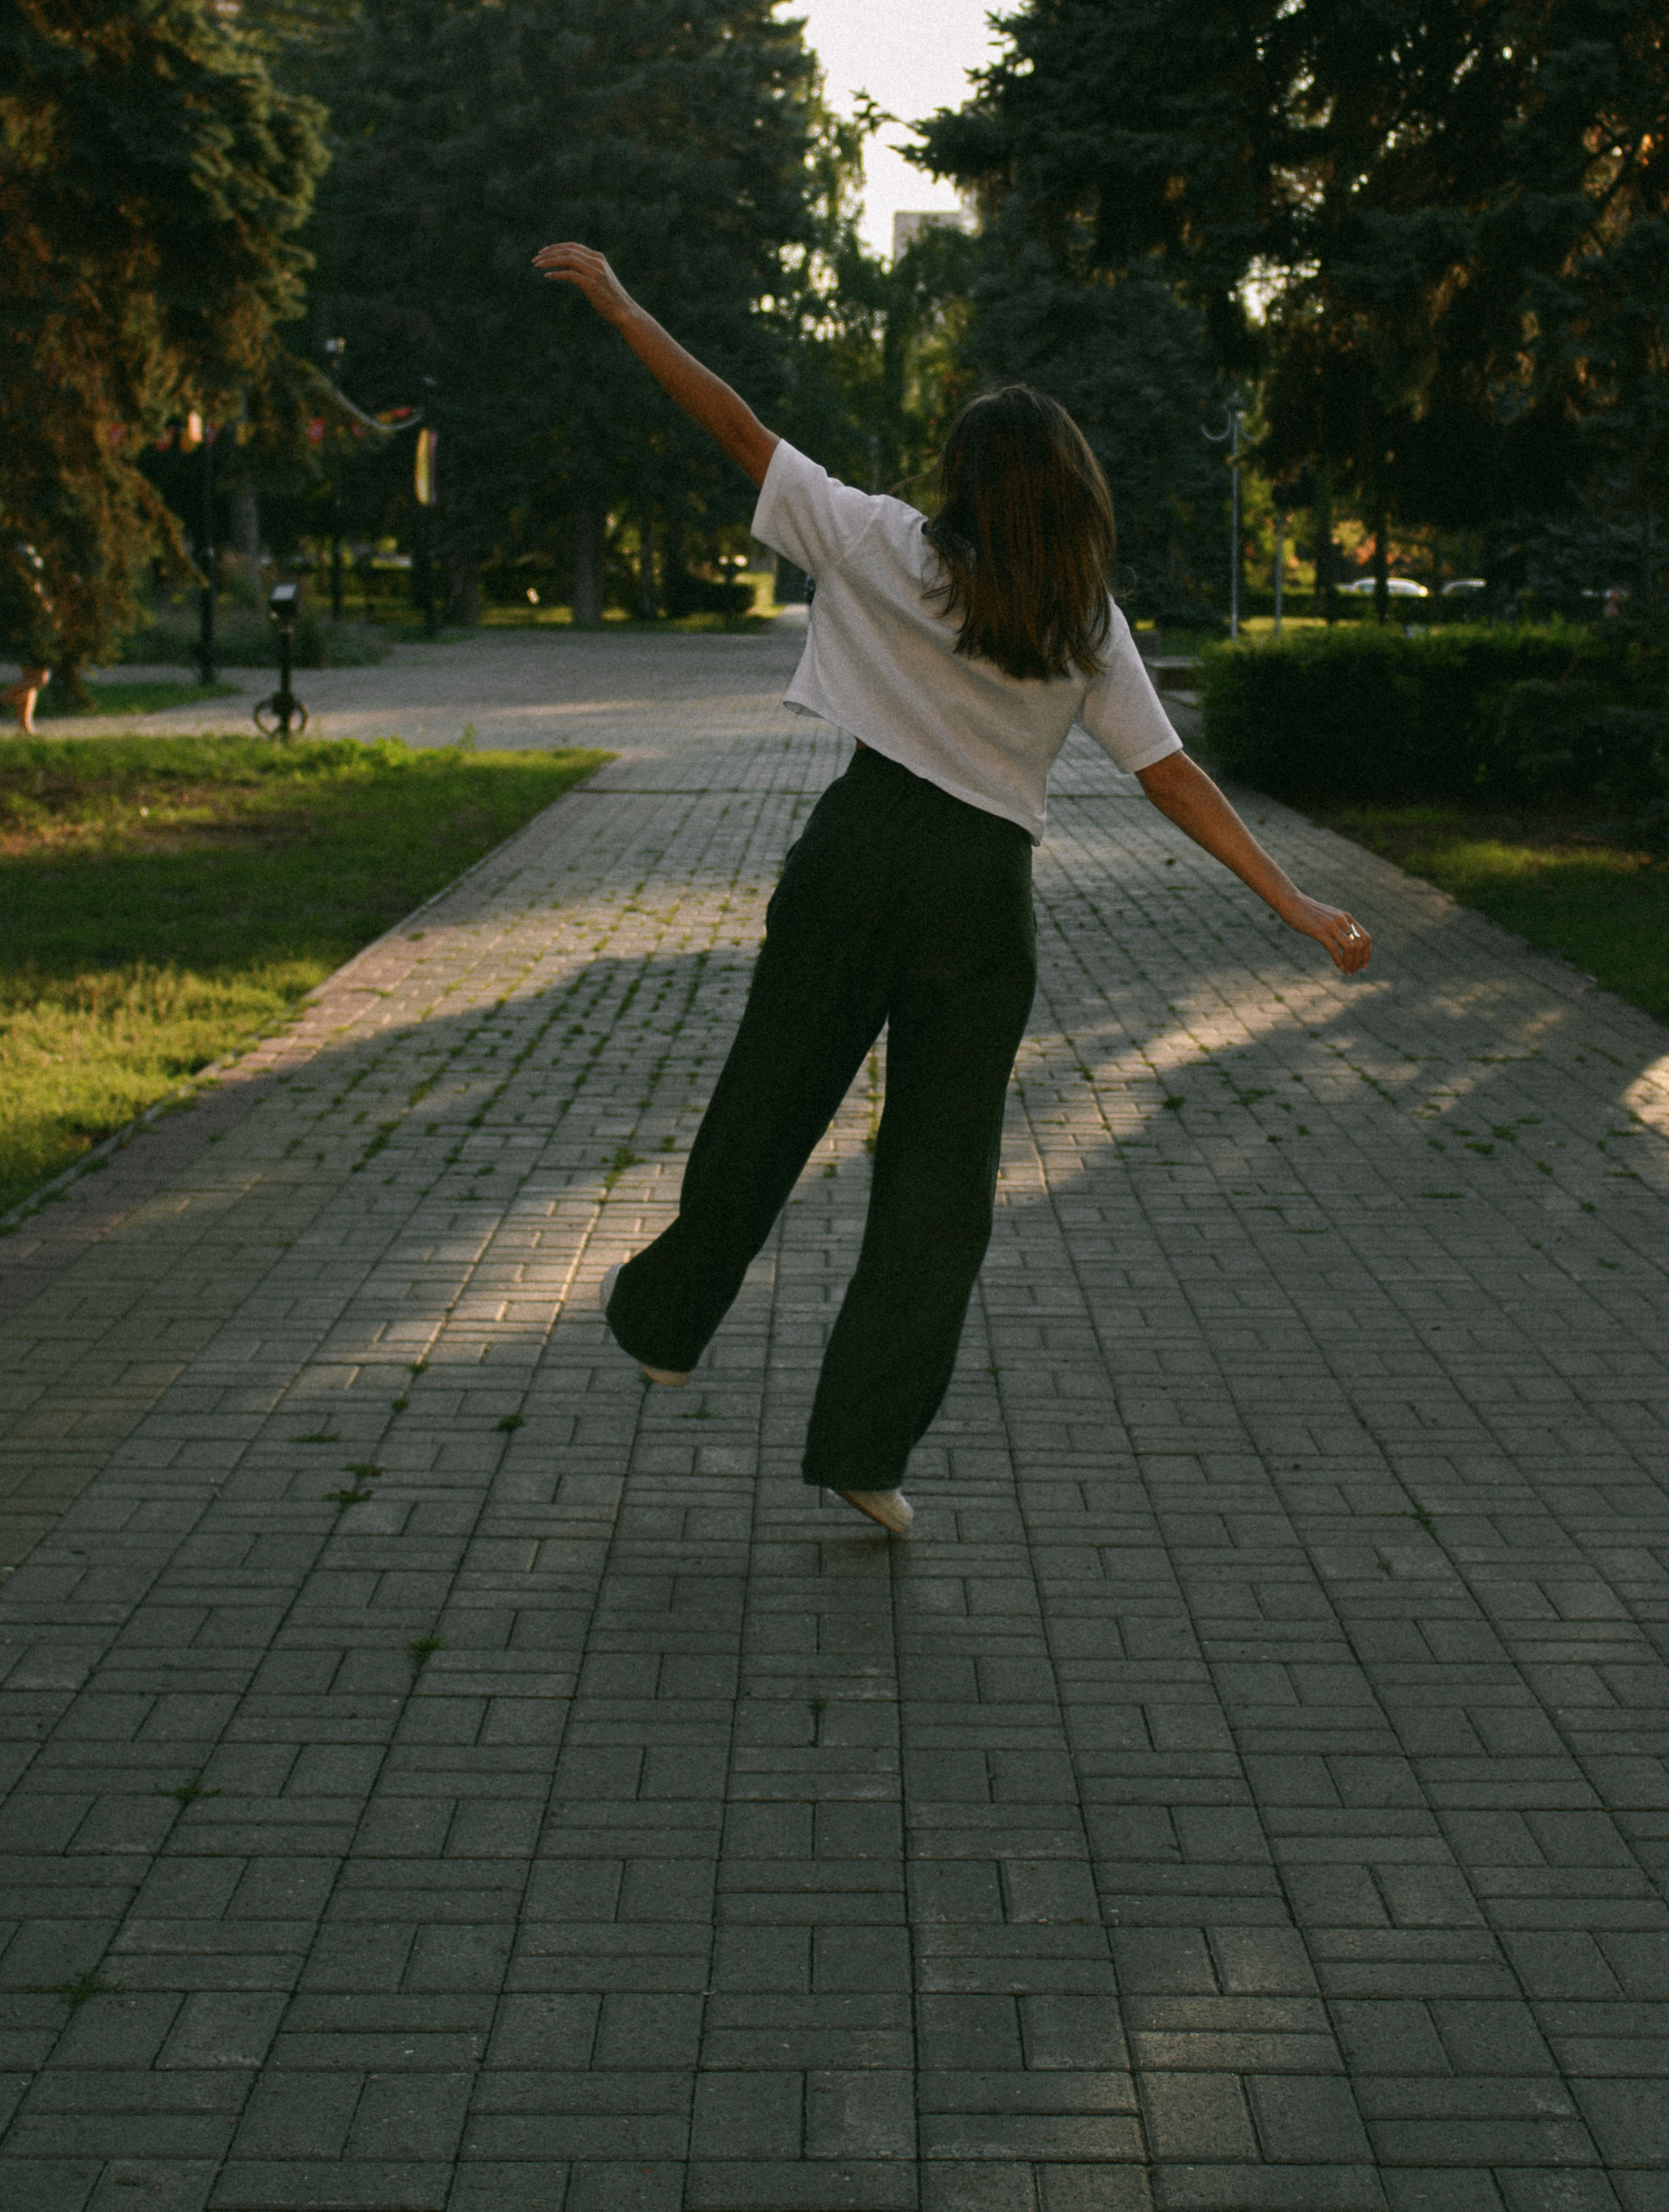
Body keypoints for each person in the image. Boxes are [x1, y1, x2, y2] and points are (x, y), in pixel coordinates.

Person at [534, 242, 1373, 1539]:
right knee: (940, 1185)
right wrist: (1294, 902)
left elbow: (736, 428)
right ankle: (865, 1450)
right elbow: (1171, 777)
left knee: (769, 1099)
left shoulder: (881, 541)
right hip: (983, 898)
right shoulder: (1083, 619)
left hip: (859, 854)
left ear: (963, 480)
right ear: (1073, 492)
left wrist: (624, 303)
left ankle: (666, 1323)